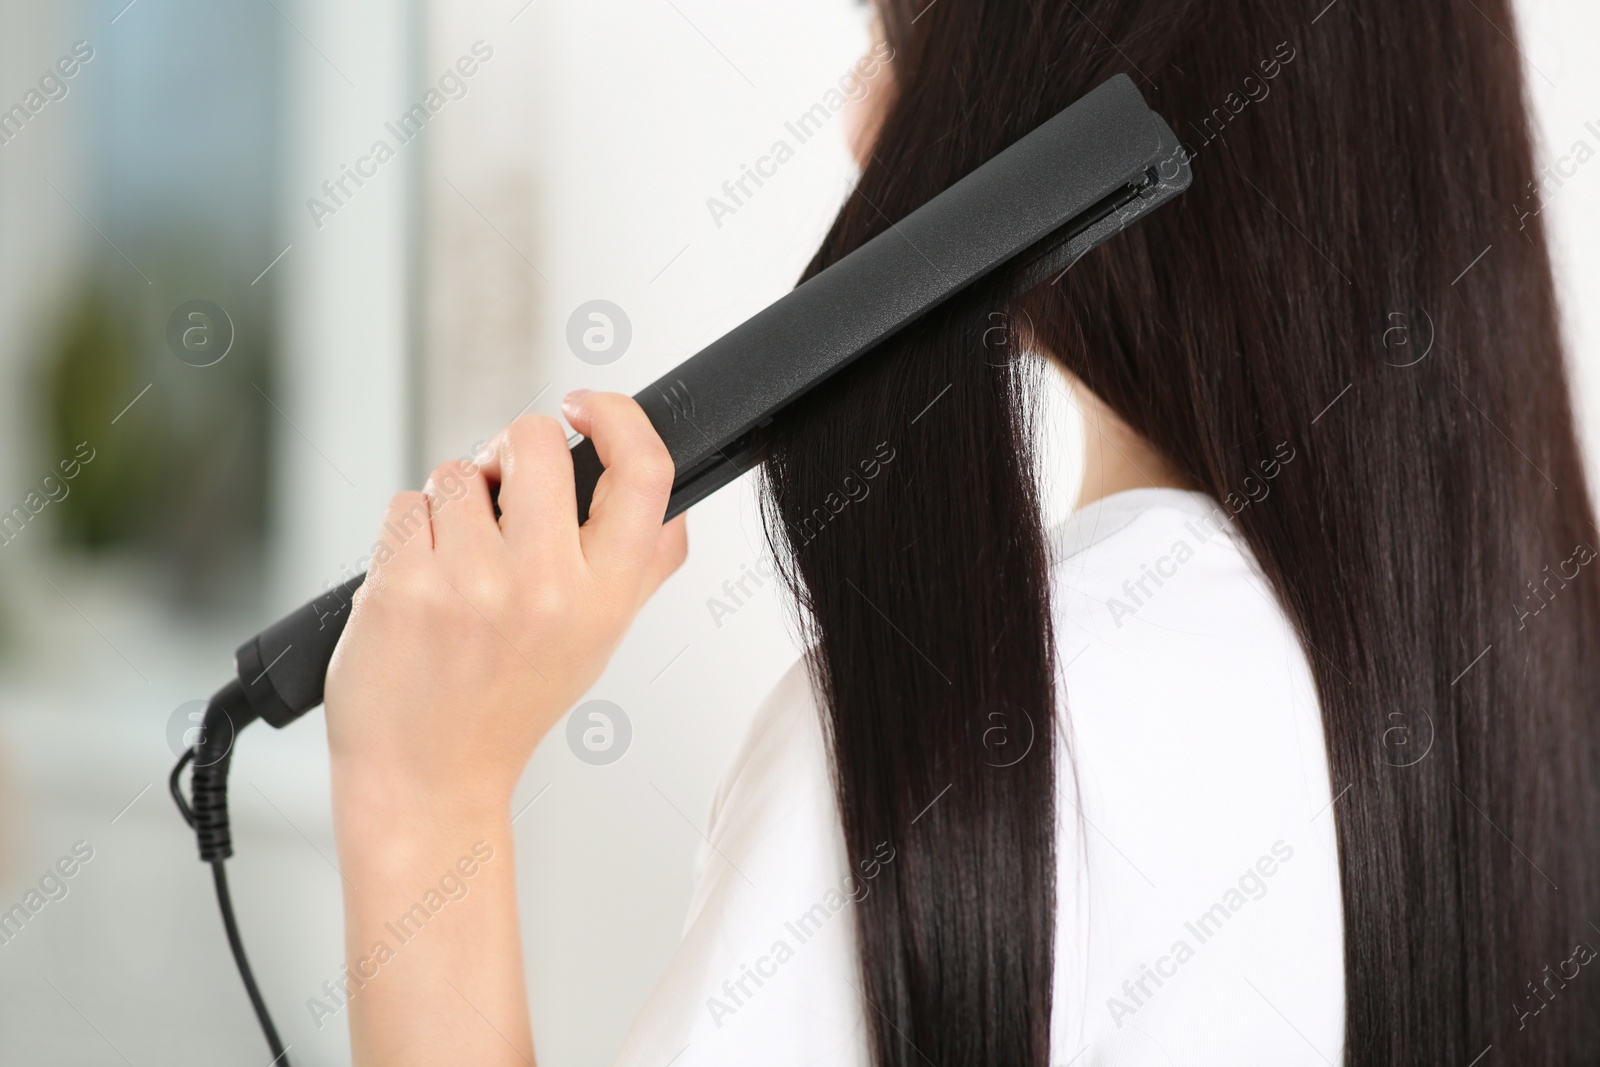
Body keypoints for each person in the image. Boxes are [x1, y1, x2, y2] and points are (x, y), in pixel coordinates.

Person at [325, 0, 1600, 1063]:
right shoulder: (1526, 702)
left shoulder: (975, 740)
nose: (865, 127)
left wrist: (420, 799)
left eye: (904, 45)